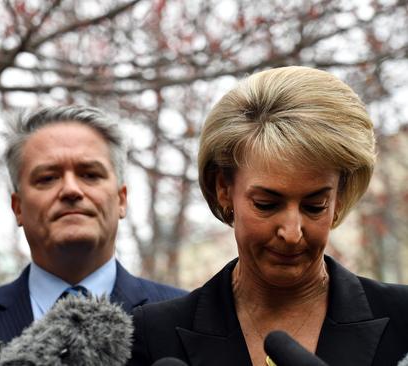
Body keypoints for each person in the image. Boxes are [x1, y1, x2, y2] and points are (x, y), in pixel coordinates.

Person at [128, 66, 408, 366]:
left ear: (339, 197)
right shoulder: (153, 333)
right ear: (223, 188)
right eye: (266, 204)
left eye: (315, 206)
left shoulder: (403, 317)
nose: (292, 232)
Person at [0, 105, 186, 342]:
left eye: (90, 175)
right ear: (18, 207)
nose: (71, 190)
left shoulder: (187, 321)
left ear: (121, 200)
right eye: (48, 178)